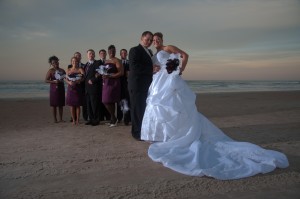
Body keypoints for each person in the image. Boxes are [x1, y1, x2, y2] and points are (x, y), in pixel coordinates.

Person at [140, 32, 289, 180]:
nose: (155, 41)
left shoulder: (168, 48)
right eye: (153, 40)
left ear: (162, 39)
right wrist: (156, 69)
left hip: (171, 82)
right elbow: (155, 66)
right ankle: (165, 135)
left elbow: (185, 55)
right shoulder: (155, 53)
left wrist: (179, 70)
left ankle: (177, 135)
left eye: (157, 39)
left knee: (177, 109)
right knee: (159, 107)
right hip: (159, 83)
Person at [128, 31, 155, 140]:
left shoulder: (149, 52)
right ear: (141, 38)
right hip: (137, 85)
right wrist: (151, 69)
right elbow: (134, 67)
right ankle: (136, 133)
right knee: (137, 109)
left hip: (146, 85)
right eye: (147, 39)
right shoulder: (135, 50)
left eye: (150, 40)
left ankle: (142, 131)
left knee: (143, 109)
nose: (149, 42)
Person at [101, 45, 123, 127]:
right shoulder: (106, 61)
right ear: (108, 51)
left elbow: (121, 73)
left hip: (114, 83)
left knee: (107, 100)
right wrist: (102, 74)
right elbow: (104, 71)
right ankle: (113, 119)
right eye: (110, 51)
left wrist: (110, 76)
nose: (112, 52)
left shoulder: (117, 60)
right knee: (108, 101)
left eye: (113, 51)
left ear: (115, 51)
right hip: (106, 83)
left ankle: (114, 119)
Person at [45, 56, 66, 123]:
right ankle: (55, 119)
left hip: (61, 88)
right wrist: (54, 81)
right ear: (51, 64)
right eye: (53, 63)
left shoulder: (62, 70)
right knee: (54, 105)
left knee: (61, 104)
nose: (55, 63)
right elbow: (46, 80)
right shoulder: (50, 71)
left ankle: (61, 119)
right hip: (53, 89)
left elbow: (66, 78)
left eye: (56, 62)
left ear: (58, 62)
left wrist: (63, 79)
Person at [84, 49, 102, 126]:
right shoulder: (86, 65)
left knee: (95, 104)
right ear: (87, 55)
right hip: (87, 88)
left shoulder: (97, 63)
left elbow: (99, 73)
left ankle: (96, 120)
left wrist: (93, 80)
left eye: (92, 53)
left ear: (94, 55)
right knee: (89, 105)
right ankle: (91, 119)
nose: (91, 55)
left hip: (94, 87)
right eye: (89, 54)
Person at [65, 56, 85, 125]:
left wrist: (78, 81)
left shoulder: (80, 69)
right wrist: (69, 82)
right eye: (73, 61)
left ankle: (77, 120)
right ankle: (73, 120)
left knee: (78, 105)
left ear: (78, 62)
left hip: (78, 88)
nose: (74, 62)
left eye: (76, 61)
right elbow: (65, 79)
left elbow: (83, 78)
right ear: (71, 62)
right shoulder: (68, 69)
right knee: (71, 105)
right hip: (70, 89)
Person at [117, 49, 131, 125]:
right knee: (119, 102)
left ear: (127, 54)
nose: (124, 54)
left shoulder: (129, 62)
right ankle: (119, 118)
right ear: (120, 54)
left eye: (125, 53)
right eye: (122, 53)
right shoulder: (118, 62)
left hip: (127, 85)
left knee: (126, 102)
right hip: (119, 84)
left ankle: (126, 119)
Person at [98, 49, 111, 122]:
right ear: (99, 54)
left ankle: (108, 116)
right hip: (99, 84)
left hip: (107, 83)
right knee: (100, 101)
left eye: (104, 53)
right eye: (101, 53)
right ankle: (101, 117)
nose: (103, 54)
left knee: (107, 100)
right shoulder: (97, 62)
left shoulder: (108, 62)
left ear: (106, 54)